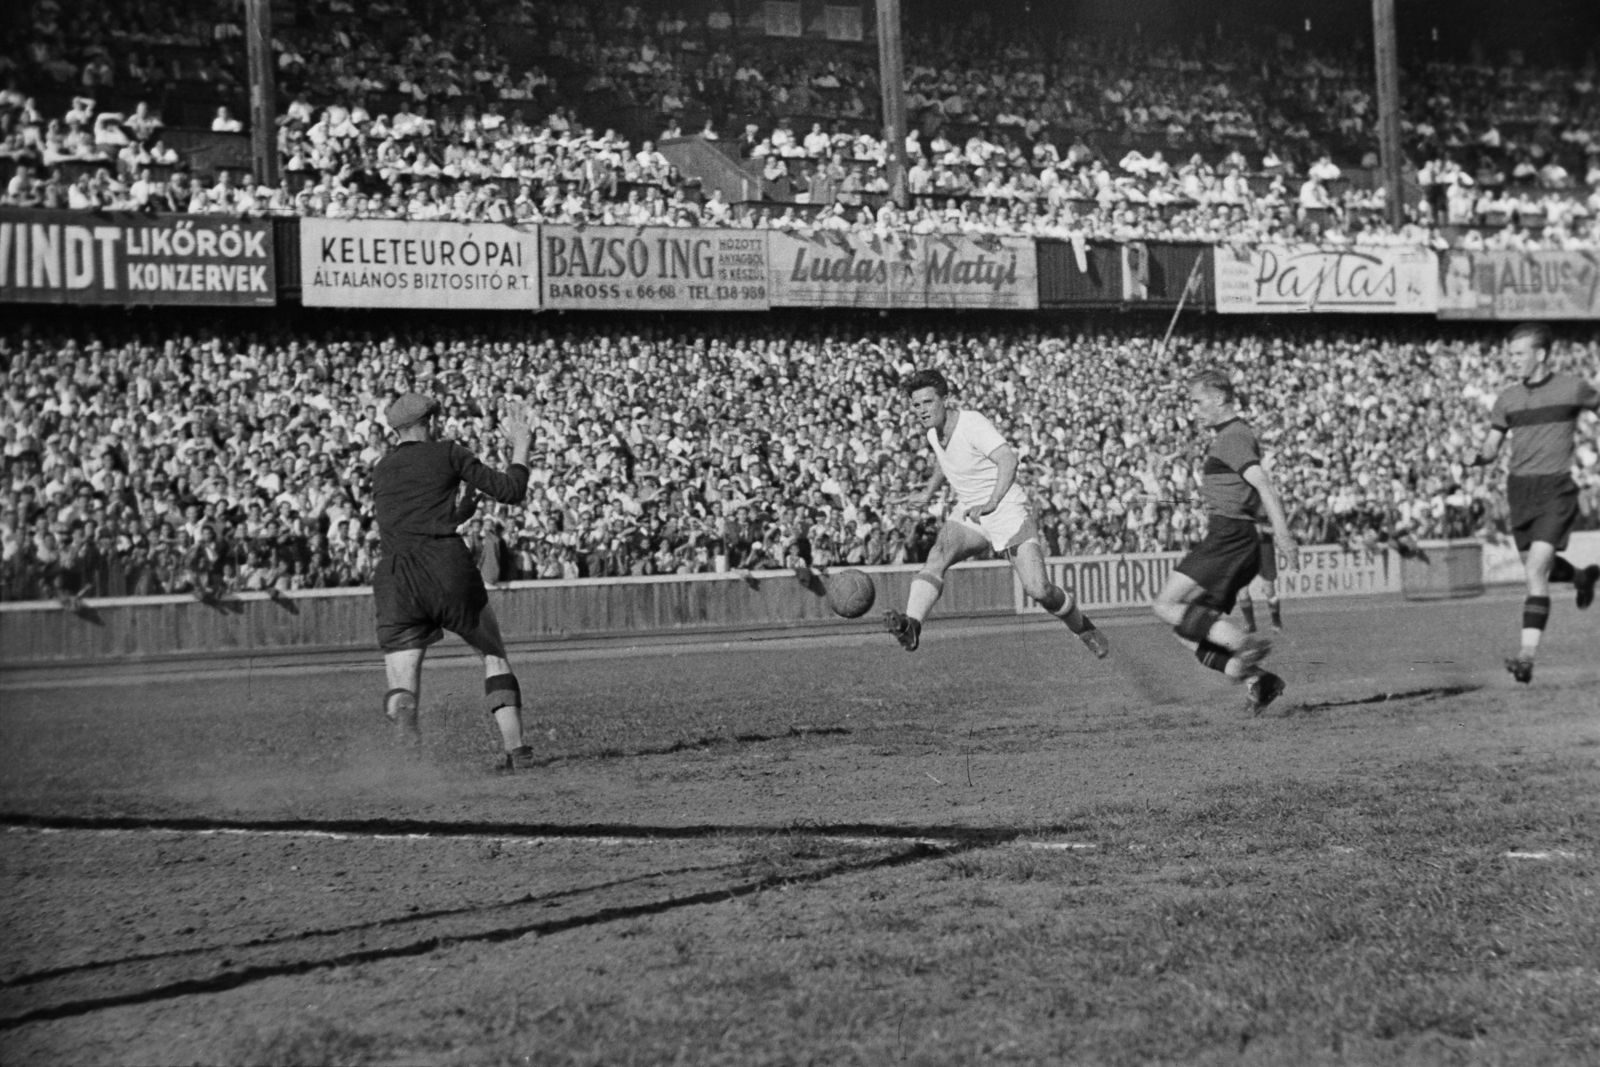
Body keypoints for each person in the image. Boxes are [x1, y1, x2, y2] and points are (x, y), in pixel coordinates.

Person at [882, 369, 1109, 660]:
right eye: (916, 405)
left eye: (927, 402)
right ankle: (911, 625)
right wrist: (927, 492)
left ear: (945, 399)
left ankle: (1083, 628)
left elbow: (1008, 458)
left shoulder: (972, 422)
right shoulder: (932, 433)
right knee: (937, 554)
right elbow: (943, 459)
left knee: (1039, 590)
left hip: (1007, 510)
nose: (922, 411)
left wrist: (993, 500)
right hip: (971, 512)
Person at [371, 393, 539, 770]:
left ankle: (408, 752)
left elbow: (410, 524)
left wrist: (456, 515)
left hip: (396, 578)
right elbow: (511, 491)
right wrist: (522, 447)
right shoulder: (447, 452)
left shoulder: (381, 469)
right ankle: (517, 751)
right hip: (445, 567)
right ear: (430, 421)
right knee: (493, 654)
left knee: (403, 679)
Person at [1150, 370, 1298, 714]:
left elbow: (1265, 485)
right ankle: (1259, 681)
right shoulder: (1230, 436)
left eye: (1198, 402)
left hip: (1230, 535)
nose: (1195, 410)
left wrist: (1283, 535)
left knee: (1165, 605)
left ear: (1219, 398)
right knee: (1187, 632)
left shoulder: (1233, 437)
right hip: (1233, 536)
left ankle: (1243, 643)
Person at [1470, 323, 1600, 684]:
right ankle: (1582, 576)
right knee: (1539, 568)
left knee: (1534, 573)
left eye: (1518, 354)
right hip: (1519, 491)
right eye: (1510, 354)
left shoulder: (1572, 388)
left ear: (1540, 354)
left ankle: (1526, 656)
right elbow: (1492, 447)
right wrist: (1476, 456)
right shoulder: (1507, 398)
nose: (1512, 361)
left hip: (1556, 490)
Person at [1235, 520, 1283, 633]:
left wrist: (1262, 528)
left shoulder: (1266, 507)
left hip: (1264, 548)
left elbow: (1279, 529)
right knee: (1242, 589)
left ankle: (1276, 621)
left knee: (1269, 589)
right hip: (1245, 549)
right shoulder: (1240, 507)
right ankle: (1250, 625)